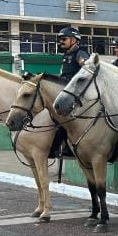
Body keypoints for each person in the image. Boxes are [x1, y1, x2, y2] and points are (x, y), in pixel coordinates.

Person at [52, 26, 90, 158]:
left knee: (63, 117)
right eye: (60, 39)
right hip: (66, 91)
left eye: (64, 39)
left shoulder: (81, 54)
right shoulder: (67, 55)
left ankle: (65, 146)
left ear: (74, 40)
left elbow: (87, 71)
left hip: (77, 94)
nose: (60, 42)